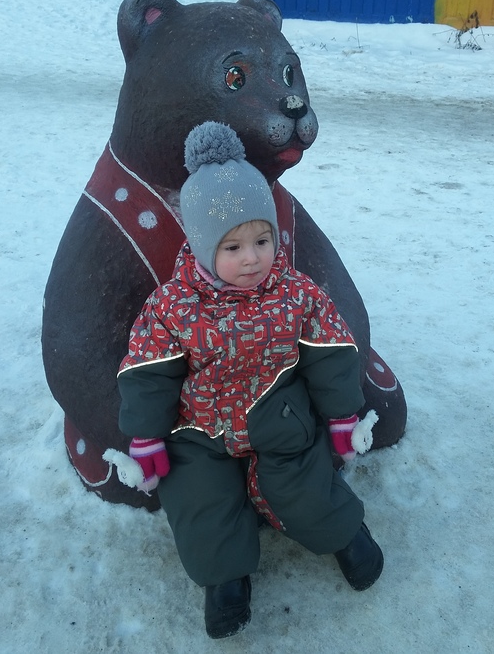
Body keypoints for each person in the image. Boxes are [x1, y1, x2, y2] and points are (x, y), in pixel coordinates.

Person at [117, 121, 383, 639]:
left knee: (304, 482)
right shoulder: (173, 305)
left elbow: (330, 351)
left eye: (262, 240)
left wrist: (342, 416)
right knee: (199, 498)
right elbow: (148, 368)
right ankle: (225, 580)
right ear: (201, 246)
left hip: (279, 416)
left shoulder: (296, 293)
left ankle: (345, 532)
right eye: (232, 246)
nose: (252, 258)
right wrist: (147, 436)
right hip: (200, 427)